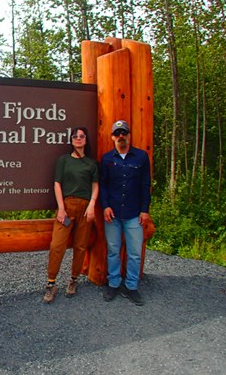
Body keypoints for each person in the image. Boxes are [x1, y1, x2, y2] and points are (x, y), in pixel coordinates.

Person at [43, 127, 99, 303]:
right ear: (71, 140)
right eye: (75, 136)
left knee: (80, 245)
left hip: (85, 208)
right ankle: (51, 283)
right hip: (66, 207)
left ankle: (73, 279)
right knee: (57, 245)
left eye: (82, 136)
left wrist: (92, 205)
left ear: (86, 140)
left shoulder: (91, 164)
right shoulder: (64, 161)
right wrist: (60, 208)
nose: (78, 139)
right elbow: (57, 184)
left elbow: (95, 186)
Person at [100, 120, 151, 306]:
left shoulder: (141, 157)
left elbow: (146, 184)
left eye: (124, 133)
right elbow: (103, 185)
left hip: (134, 213)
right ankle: (113, 283)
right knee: (113, 250)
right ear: (112, 137)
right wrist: (105, 206)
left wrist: (145, 209)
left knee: (134, 253)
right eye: (117, 133)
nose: (121, 136)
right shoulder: (106, 159)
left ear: (129, 135)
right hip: (112, 213)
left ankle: (131, 286)